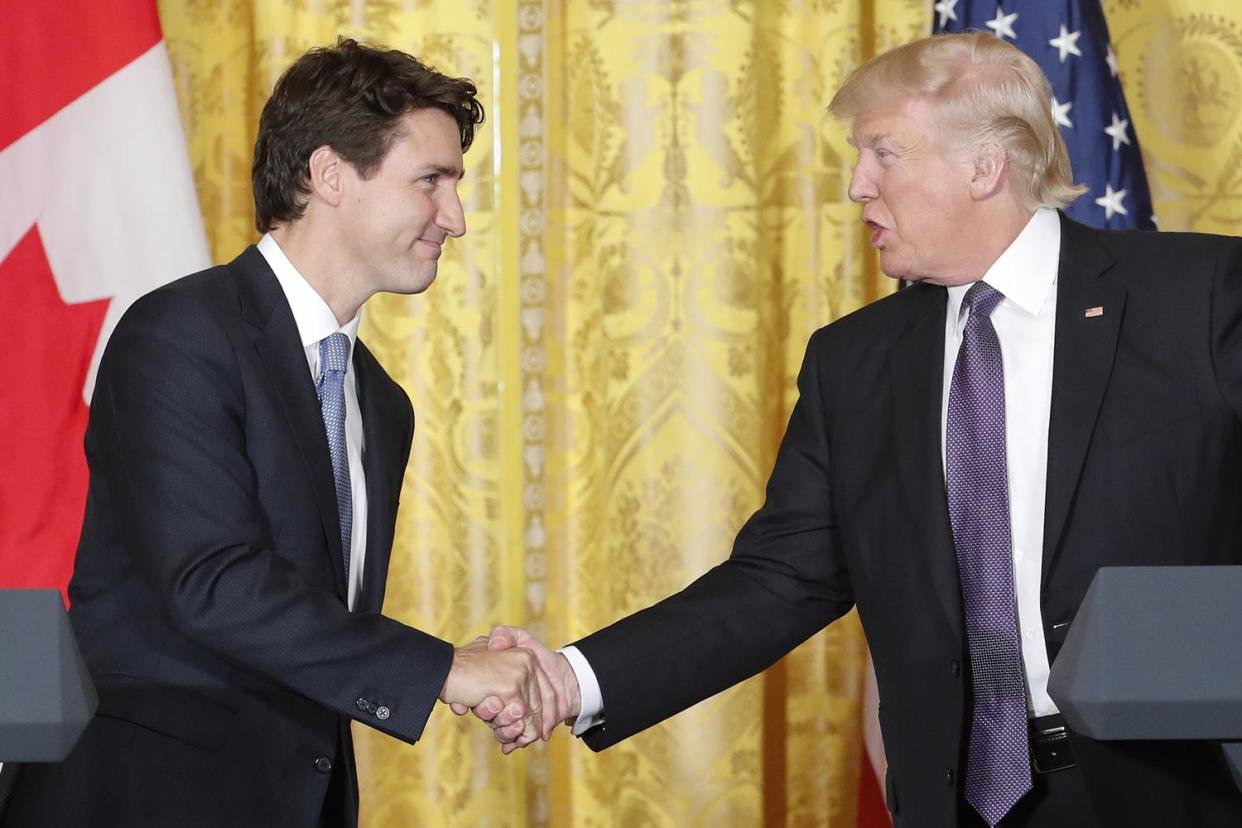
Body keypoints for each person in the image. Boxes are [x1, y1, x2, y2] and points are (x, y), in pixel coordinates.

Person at [479, 31, 1242, 828]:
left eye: (883, 153)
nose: (855, 185)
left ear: (984, 168)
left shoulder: (1199, 298)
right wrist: (574, 679)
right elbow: (780, 580)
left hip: (1181, 791)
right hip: (961, 804)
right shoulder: (854, 361)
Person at [0, 39, 555, 828]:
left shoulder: (380, 402)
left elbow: (311, 621)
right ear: (330, 175)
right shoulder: (180, 334)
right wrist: (442, 670)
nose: (455, 220)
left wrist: (453, 666)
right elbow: (213, 582)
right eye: (431, 181)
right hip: (146, 798)